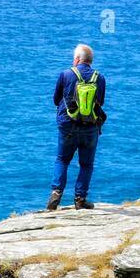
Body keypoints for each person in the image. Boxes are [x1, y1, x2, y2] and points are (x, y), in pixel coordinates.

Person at [48, 43, 107, 211]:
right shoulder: (99, 78)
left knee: (62, 159)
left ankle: (56, 194)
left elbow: (55, 99)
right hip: (90, 127)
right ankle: (80, 199)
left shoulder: (66, 74)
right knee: (86, 164)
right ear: (90, 61)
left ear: (77, 59)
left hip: (68, 126)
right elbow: (100, 102)